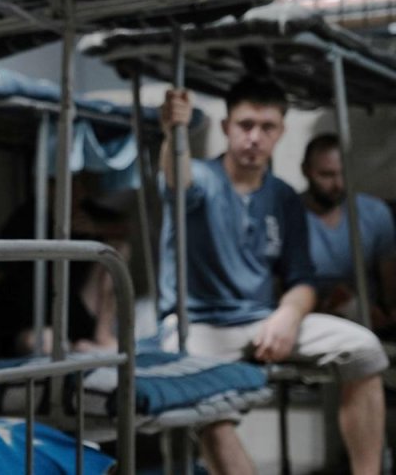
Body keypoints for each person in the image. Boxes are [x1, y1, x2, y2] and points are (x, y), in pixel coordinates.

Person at [158, 77, 388, 475]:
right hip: (197, 324)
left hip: (261, 321)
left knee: (365, 351)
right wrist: (172, 134)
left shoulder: (282, 197)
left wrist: (287, 316)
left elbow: (302, 279)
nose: (254, 138)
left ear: (280, 131)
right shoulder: (202, 180)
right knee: (210, 407)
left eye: (267, 128)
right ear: (227, 126)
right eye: (245, 125)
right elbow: (177, 182)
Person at [0, 173, 129, 357]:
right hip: (31, 319)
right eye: (72, 185)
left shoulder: (84, 213)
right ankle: (73, 349)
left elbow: (126, 227)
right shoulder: (27, 218)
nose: (79, 192)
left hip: (74, 311)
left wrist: (95, 228)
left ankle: (102, 336)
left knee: (118, 249)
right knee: (48, 343)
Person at [301, 133, 396, 335]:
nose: (338, 184)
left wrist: (388, 313)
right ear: (306, 171)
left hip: (369, 325)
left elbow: (391, 283)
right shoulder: (289, 214)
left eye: (342, 174)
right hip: (308, 321)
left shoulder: (374, 213)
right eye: (326, 175)